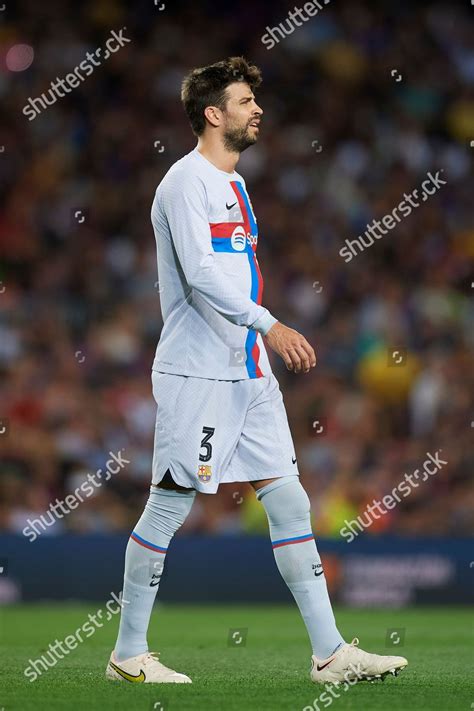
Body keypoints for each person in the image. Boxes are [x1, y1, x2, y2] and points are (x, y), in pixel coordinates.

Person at [106, 56, 407, 685]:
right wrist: (270, 323)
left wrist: (260, 345)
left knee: (291, 502)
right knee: (169, 504)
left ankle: (330, 654)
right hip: (200, 373)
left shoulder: (236, 185)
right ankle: (127, 653)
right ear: (214, 114)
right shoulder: (184, 182)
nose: (256, 110)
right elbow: (202, 273)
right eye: (244, 101)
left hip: (249, 372)